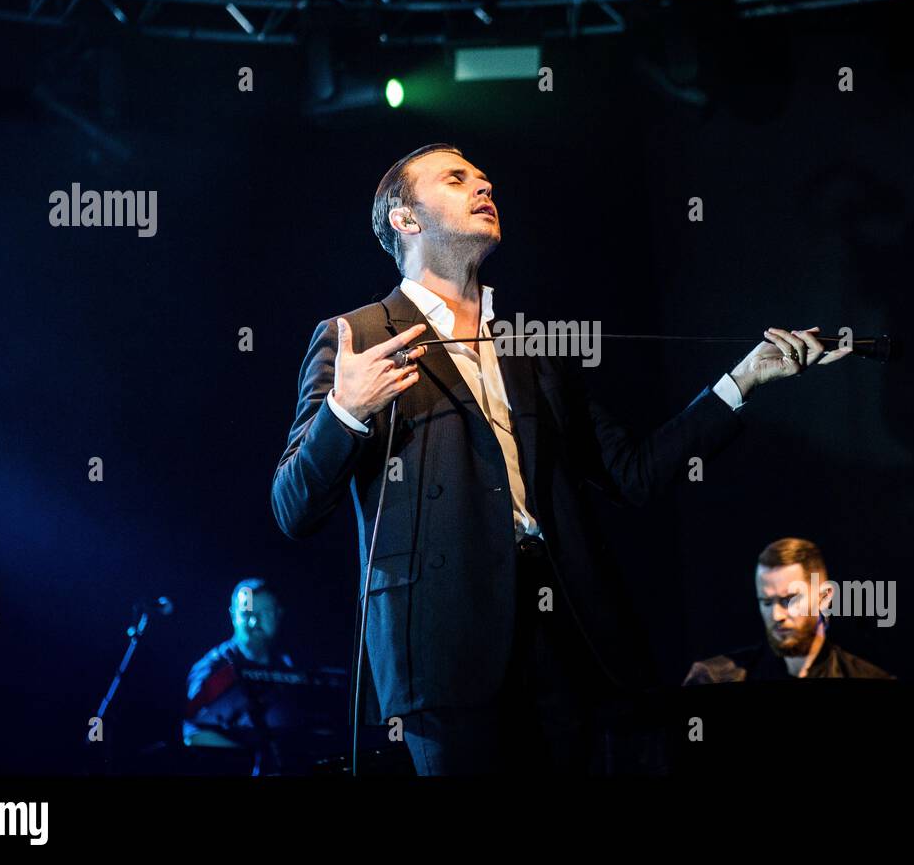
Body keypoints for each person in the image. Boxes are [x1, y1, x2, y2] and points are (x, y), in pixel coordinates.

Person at [271, 143, 851, 774]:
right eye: (457, 178)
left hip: (568, 643)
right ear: (405, 219)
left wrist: (744, 380)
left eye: (485, 178)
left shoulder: (533, 347)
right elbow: (292, 507)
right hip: (445, 652)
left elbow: (631, 473)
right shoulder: (360, 336)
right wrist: (344, 411)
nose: (483, 185)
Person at [683, 537, 892, 684]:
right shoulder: (713, 677)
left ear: (825, 597)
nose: (776, 615)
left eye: (789, 600)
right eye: (766, 602)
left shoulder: (868, 677)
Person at [183, 578, 296, 773]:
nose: (255, 622)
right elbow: (195, 733)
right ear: (233, 615)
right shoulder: (214, 667)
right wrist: (257, 752)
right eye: (247, 613)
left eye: (265, 613)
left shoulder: (287, 664)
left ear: (278, 615)